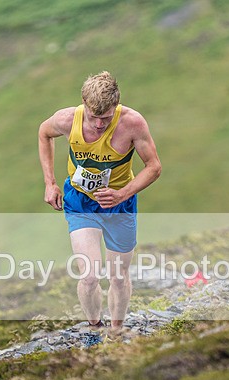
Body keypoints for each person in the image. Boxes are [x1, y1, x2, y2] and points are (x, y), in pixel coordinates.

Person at [38, 71, 161, 333]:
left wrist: (123, 193)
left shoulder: (133, 123)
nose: (98, 124)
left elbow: (154, 167)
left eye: (105, 118)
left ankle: (116, 331)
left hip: (119, 204)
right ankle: (94, 329)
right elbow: (43, 134)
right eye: (93, 117)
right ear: (83, 102)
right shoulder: (67, 119)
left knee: (118, 276)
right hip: (81, 201)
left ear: (116, 106)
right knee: (90, 275)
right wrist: (50, 182)